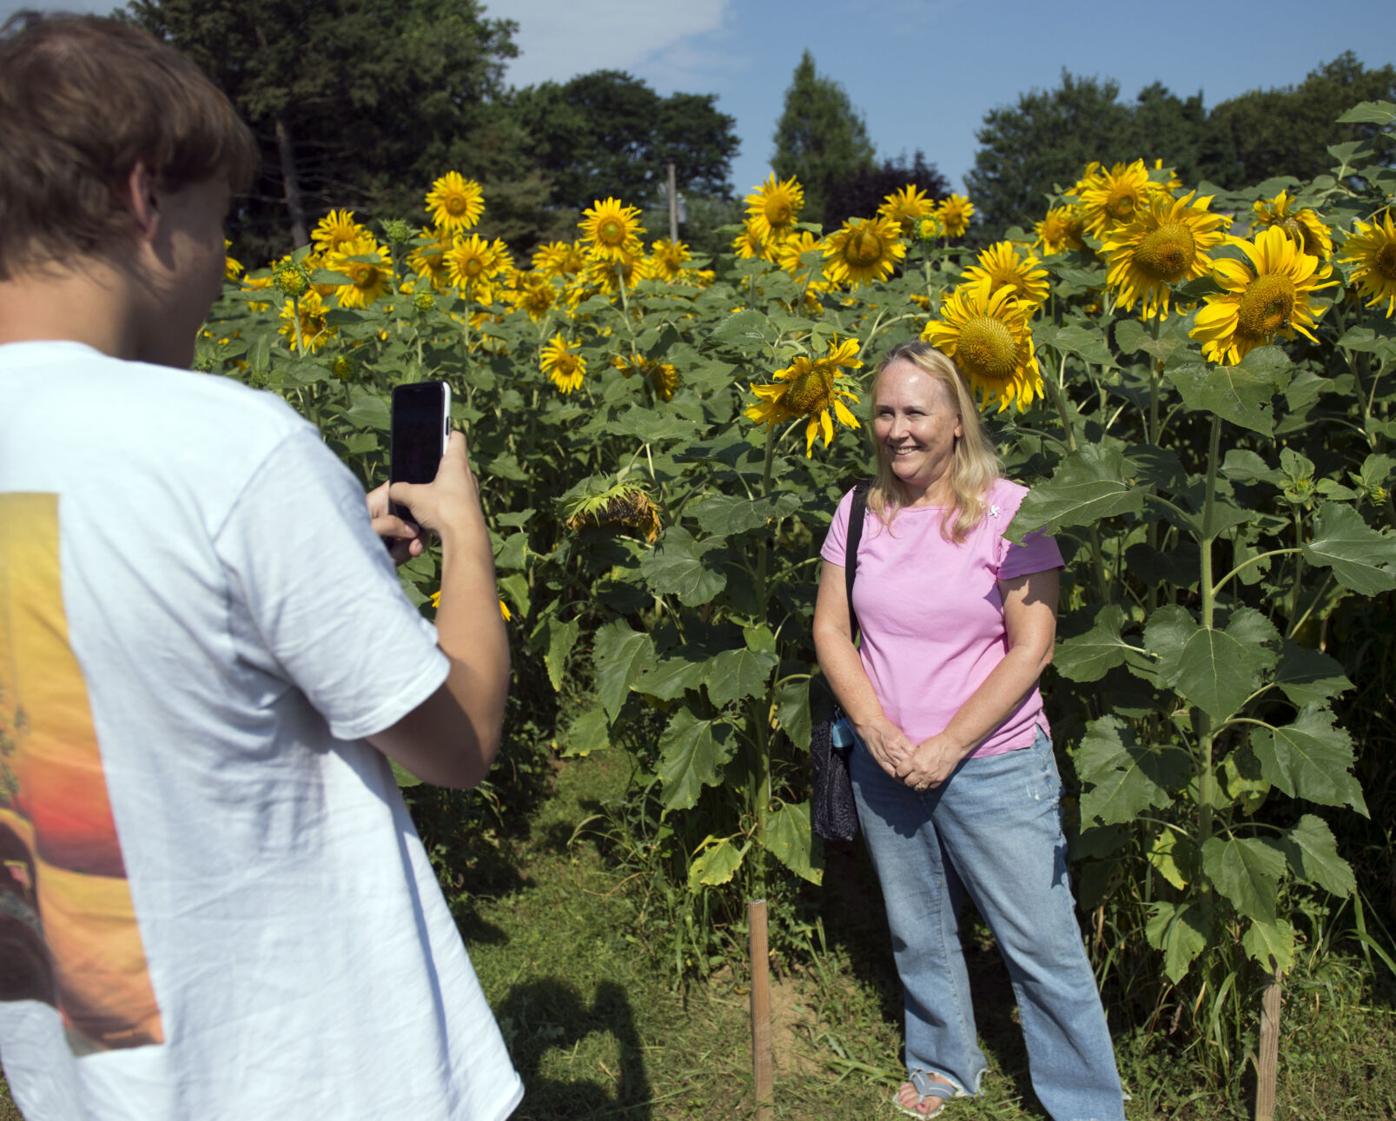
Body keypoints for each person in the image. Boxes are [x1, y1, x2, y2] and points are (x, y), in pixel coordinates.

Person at [0, 14, 521, 1121]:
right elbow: (456, 740)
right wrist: (465, 545)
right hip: (301, 1065)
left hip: (85, 1069)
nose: (225, 260)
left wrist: (318, 563)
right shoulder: (226, 446)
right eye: (218, 219)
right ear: (147, 200)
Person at [813, 341, 1125, 1121]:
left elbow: (1034, 647)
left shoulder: (1014, 511)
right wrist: (875, 727)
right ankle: (944, 1063)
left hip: (992, 762)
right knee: (918, 930)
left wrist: (949, 743)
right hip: (885, 760)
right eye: (885, 411)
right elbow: (830, 628)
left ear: (957, 421)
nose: (897, 429)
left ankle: (1087, 1102)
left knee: (1042, 946)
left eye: (916, 411)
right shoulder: (857, 512)